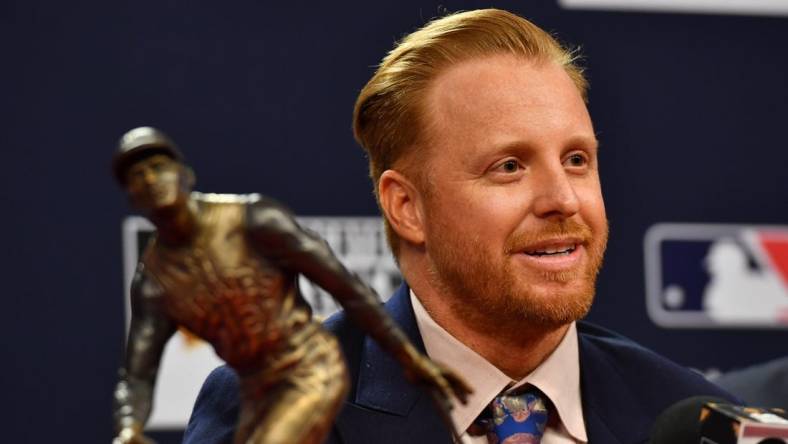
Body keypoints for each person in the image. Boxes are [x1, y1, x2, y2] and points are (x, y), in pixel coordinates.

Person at [184, 9, 734, 443]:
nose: (563, 199)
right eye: (510, 167)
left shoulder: (686, 416)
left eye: (576, 160)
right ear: (407, 207)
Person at [110, 127, 469, 444]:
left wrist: (409, 357)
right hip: (253, 389)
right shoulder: (153, 282)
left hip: (307, 366)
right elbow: (138, 374)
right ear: (132, 198)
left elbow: (347, 288)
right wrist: (130, 428)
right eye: (137, 177)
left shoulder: (251, 219)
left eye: (158, 167)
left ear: (184, 175)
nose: (150, 180)